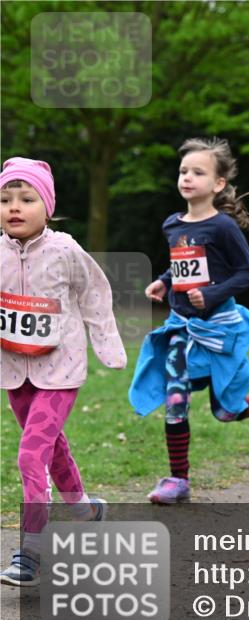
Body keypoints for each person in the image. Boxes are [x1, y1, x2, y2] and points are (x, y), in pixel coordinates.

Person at [129, 138, 249, 504]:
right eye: (183, 171)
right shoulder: (172, 224)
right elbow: (181, 264)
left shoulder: (223, 228)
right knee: (175, 395)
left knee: (225, 411)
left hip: (218, 329)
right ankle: (177, 479)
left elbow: (248, 272)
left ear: (217, 184)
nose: (187, 177)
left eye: (198, 172)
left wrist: (211, 294)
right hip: (181, 327)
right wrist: (164, 282)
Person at [0, 158, 126, 585]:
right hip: (15, 370)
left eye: (26, 199)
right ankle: (87, 510)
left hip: (60, 370)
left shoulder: (66, 250)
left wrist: (107, 346)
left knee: (30, 454)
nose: (14, 207)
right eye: (5, 199)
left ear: (47, 207)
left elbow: (96, 294)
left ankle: (31, 554)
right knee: (52, 449)